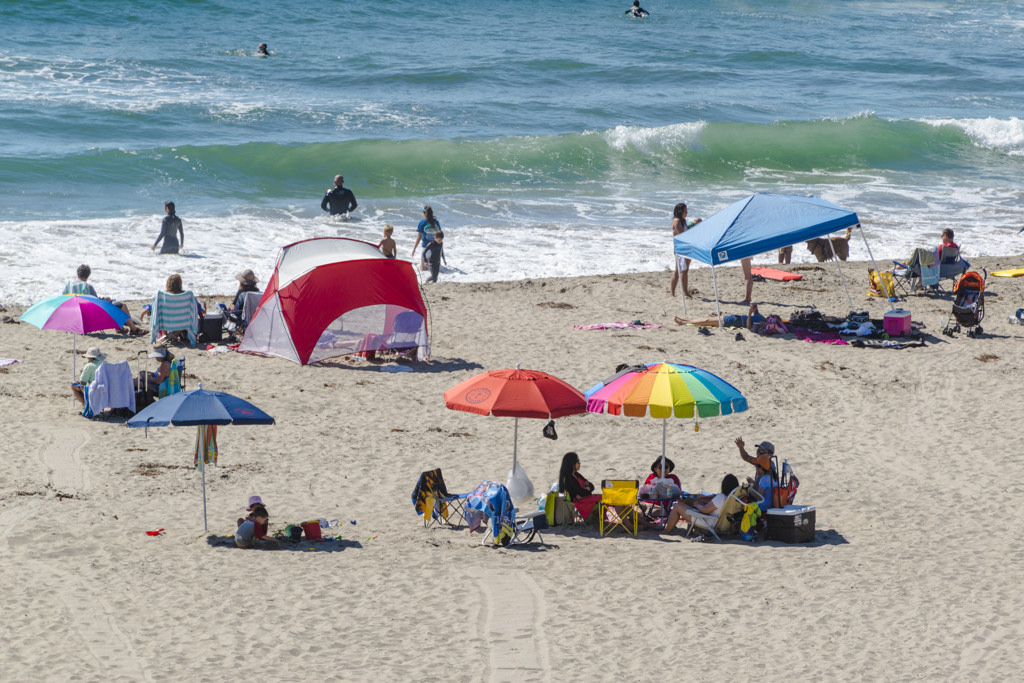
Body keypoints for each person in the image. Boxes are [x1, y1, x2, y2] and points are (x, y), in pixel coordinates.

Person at [663, 473, 739, 535]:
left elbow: (705, 510)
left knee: (677, 506)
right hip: (718, 524)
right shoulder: (732, 499)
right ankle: (688, 532)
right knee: (691, 504)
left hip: (707, 523)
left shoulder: (721, 497)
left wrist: (697, 505)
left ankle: (666, 532)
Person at [558, 451, 602, 523]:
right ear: (572, 463)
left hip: (584, 498)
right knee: (603, 498)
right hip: (579, 502)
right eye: (578, 461)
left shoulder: (576, 474)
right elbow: (581, 492)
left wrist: (587, 488)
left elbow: (592, 486)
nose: (579, 463)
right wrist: (586, 488)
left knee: (604, 497)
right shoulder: (569, 478)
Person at [670, 203, 701, 298]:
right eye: (685, 211)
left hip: (686, 248)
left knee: (685, 271)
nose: (686, 213)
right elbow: (682, 235)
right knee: (678, 271)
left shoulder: (682, 221)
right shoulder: (677, 221)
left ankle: (685, 292)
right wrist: (693, 225)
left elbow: (686, 231)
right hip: (680, 249)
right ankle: (672, 293)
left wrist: (694, 224)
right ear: (680, 211)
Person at [736, 437, 775, 505]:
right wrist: (741, 447)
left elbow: (761, 496)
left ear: (770, 455)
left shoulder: (766, 467)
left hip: (762, 503)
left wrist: (749, 488)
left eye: (761, 452)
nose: (758, 453)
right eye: (757, 450)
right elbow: (746, 457)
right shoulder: (761, 462)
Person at [675, 303, 765, 329]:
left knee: (708, 321)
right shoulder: (763, 318)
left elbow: (749, 326)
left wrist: (749, 313)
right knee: (709, 320)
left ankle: (684, 322)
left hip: (737, 322)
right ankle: (686, 321)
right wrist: (755, 309)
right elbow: (756, 314)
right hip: (736, 318)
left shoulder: (763, 323)